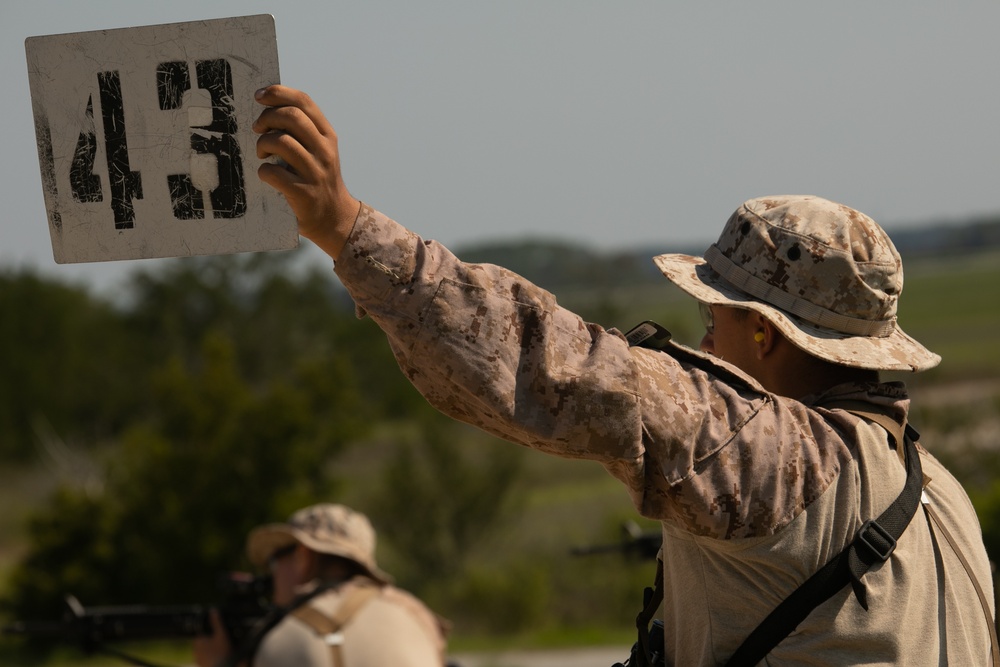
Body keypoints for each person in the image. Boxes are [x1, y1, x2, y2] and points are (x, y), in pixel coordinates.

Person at [250, 85, 997, 665]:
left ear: (766, 335)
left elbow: (549, 365)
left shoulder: (782, 460)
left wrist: (345, 228)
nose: (703, 344)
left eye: (717, 321)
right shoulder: (943, 493)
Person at [193, 503, 449, 667]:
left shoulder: (280, 638)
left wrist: (219, 664)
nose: (272, 577)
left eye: (274, 561)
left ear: (304, 557)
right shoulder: (416, 616)